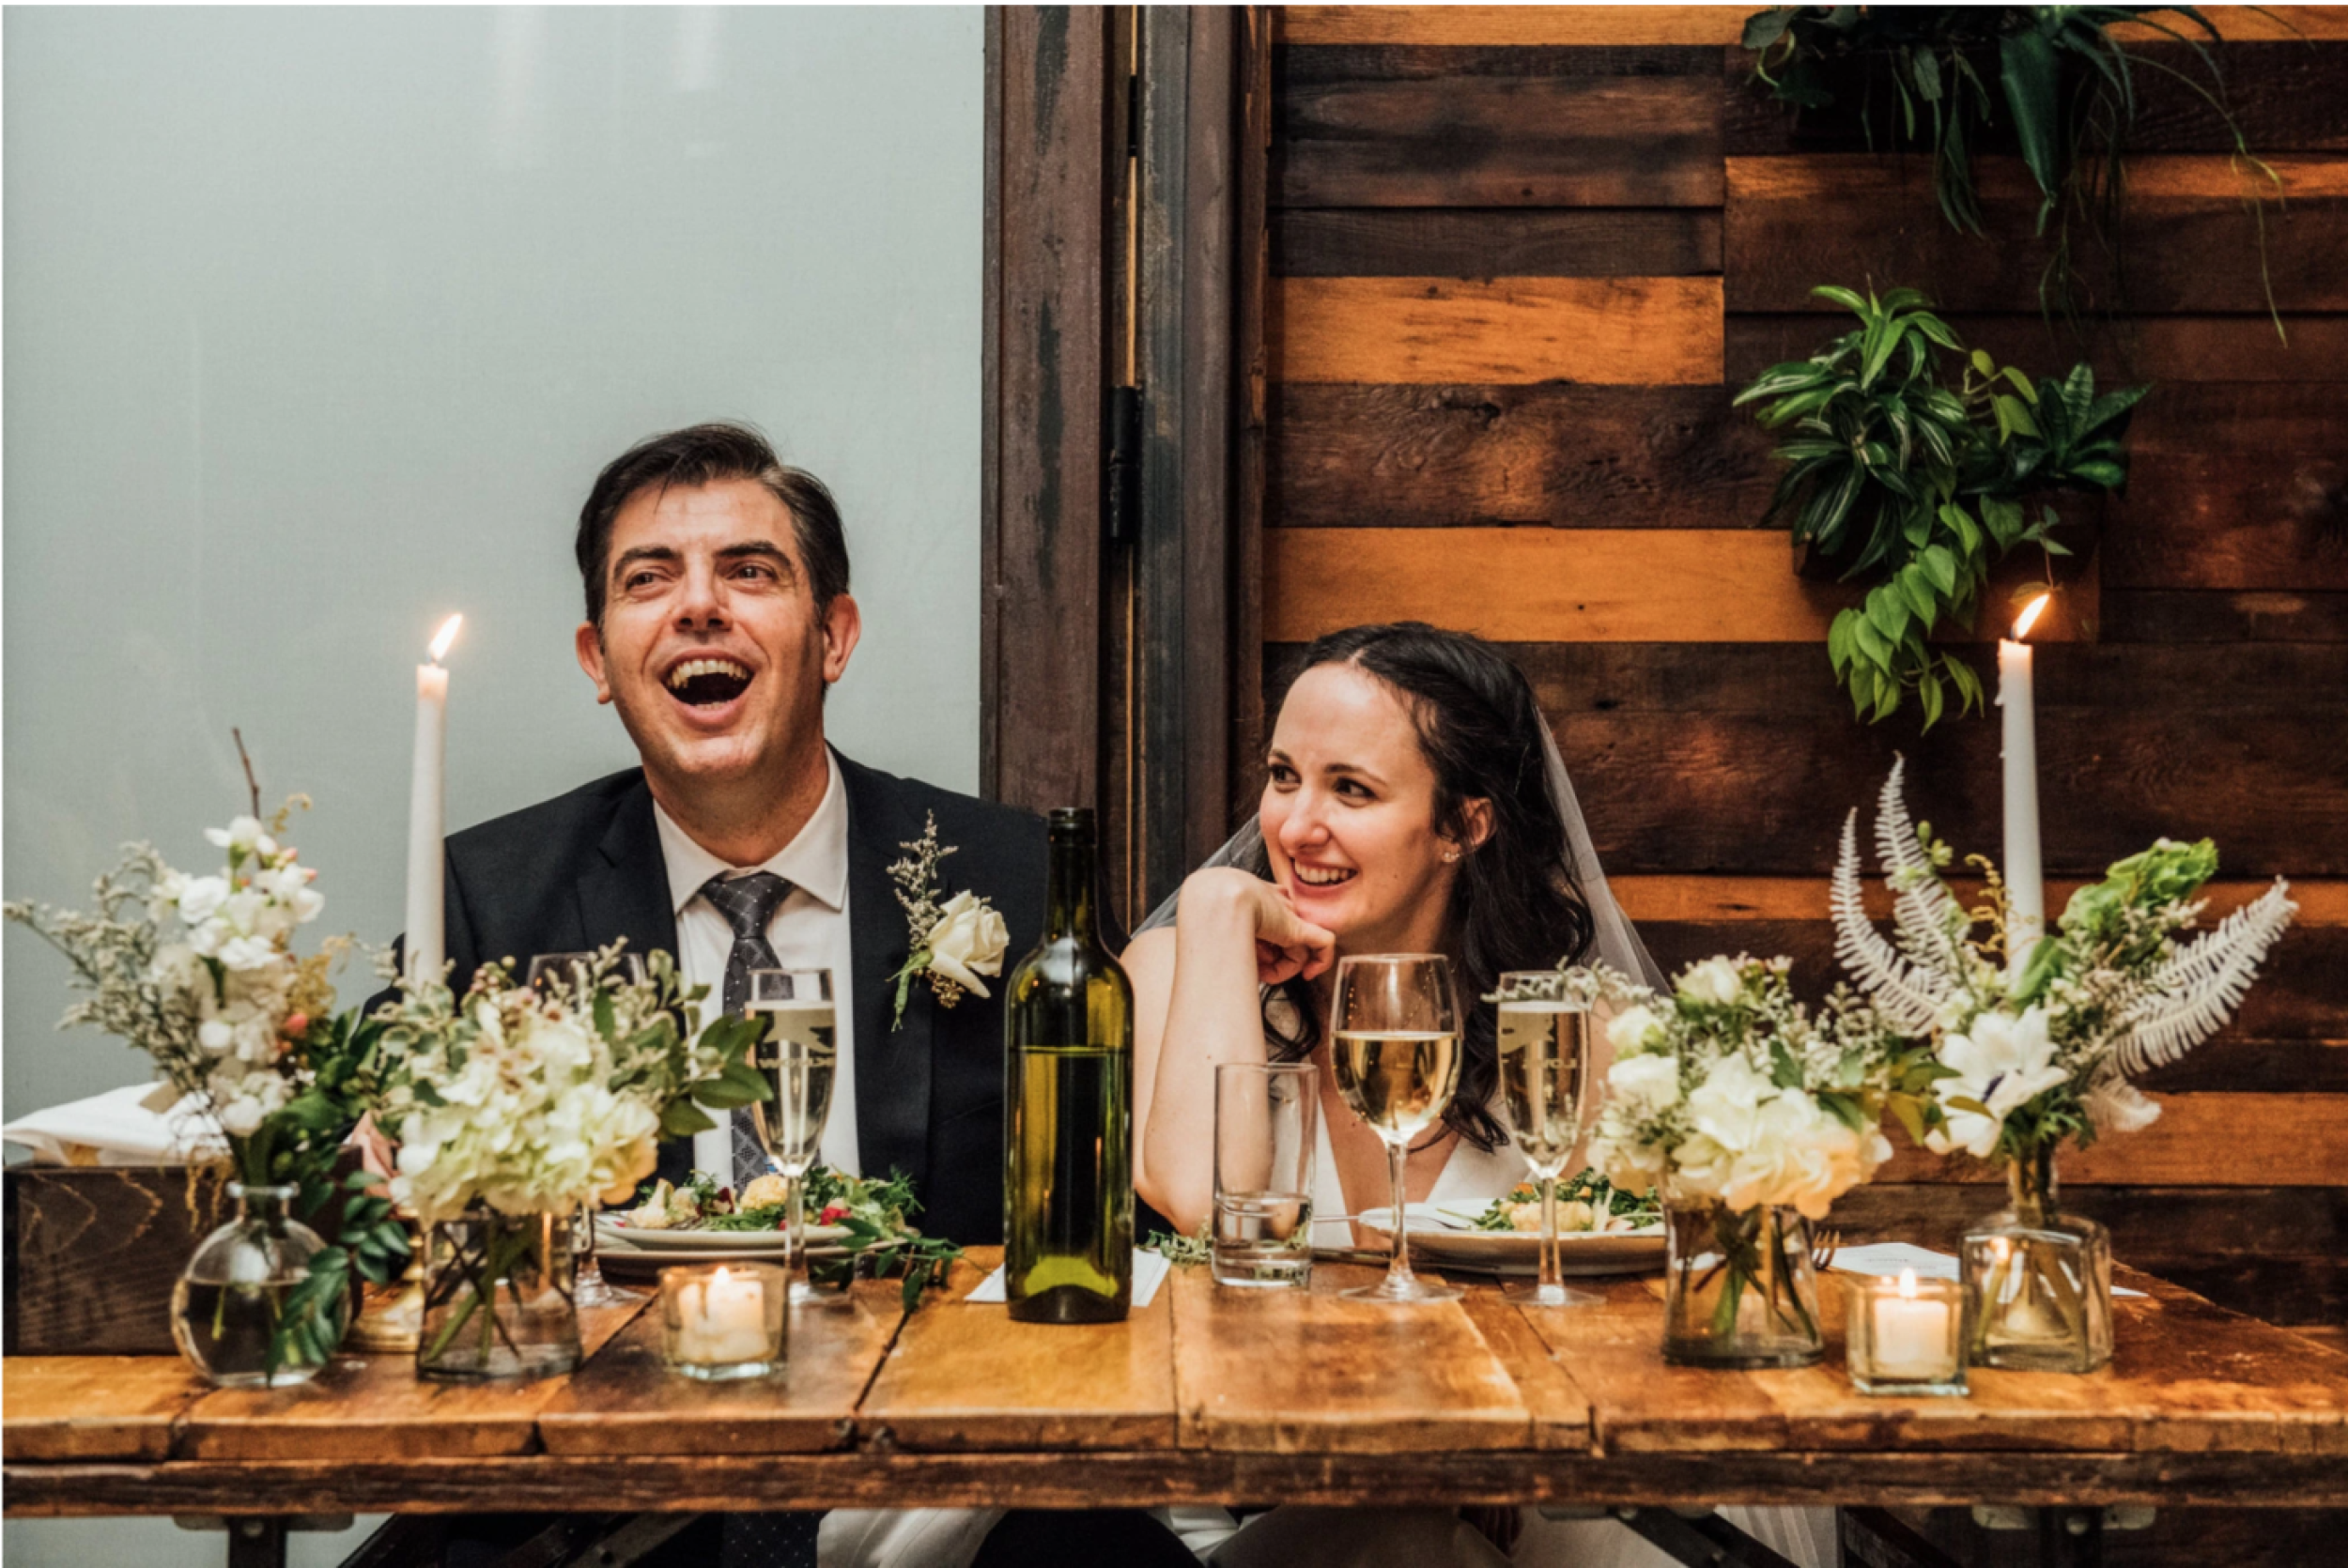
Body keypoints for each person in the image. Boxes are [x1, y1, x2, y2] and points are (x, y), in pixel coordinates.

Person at [400, 422, 1190, 1568]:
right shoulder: (492, 896)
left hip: (941, 1484)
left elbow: (1122, 1216)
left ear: (833, 636)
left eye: (750, 570)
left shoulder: (1007, 876)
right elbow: (389, 1155)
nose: (698, 605)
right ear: (596, 658)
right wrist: (384, 1148)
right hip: (608, 1497)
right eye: (648, 578)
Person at [1124, 622, 1832, 1568]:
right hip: (1267, 1496)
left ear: (1463, 826)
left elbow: (1653, 1311)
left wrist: (1505, 1438)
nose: (1293, 827)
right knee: (1401, 1534)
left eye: (1351, 788)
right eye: (1284, 776)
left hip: (1527, 1490)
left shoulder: (1574, 1034)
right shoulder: (1178, 966)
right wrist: (1216, 909)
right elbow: (1205, 1200)